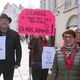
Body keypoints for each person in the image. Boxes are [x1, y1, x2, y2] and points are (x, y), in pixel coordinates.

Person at [0, 13, 22, 80]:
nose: (4, 22)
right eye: (2, 20)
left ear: (8, 22)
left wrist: (18, 62)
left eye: (6, 20)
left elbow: (18, 49)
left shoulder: (14, 34)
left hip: (9, 64)